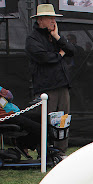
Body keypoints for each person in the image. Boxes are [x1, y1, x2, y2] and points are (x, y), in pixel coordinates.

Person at [25, 4, 75, 151]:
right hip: (46, 88)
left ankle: (60, 151)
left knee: (63, 121)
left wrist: (57, 37)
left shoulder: (54, 36)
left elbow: (71, 50)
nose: (53, 21)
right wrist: (60, 54)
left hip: (62, 85)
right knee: (46, 121)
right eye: (49, 18)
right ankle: (44, 151)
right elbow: (44, 58)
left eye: (54, 18)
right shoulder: (32, 39)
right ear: (40, 20)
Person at [0, 85, 41, 154]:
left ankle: (22, 143)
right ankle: (22, 144)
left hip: (15, 113)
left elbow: (9, 96)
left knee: (40, 118)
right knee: (39, 128)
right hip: (6, 117)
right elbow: (7, 94)